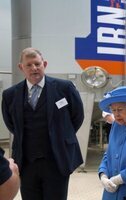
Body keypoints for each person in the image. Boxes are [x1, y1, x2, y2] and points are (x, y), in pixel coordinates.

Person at [1, 47, 84, 200]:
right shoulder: (10, 95)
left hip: (57, 161)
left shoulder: (64, 88)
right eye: (29, 65)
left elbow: (77, 117)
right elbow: (12, 125)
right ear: (21, 67)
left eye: (37, 64)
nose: (34, 68)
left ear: (44, 64)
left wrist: (61, 136)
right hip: (26, 163)